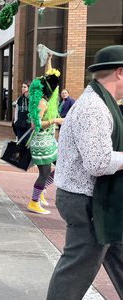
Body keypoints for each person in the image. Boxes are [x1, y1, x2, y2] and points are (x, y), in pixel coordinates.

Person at [47, 45, 123, 300]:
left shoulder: (100, 103)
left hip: (99, 201)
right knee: (77, 270)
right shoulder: (94, 107)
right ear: (120, 73)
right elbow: (98, 163)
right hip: (88, 202)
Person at [26, 55, 63, 214]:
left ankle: (39, 193)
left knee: (61, 166)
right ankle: (34, 202)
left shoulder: (47, 97)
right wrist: (55, 120)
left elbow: (48, 75)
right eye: (55, 87)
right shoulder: (42, 102)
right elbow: (36, 124)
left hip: (48, 141)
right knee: (45, 173)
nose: (57, 89)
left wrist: (48, 60)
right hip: (41, 142)